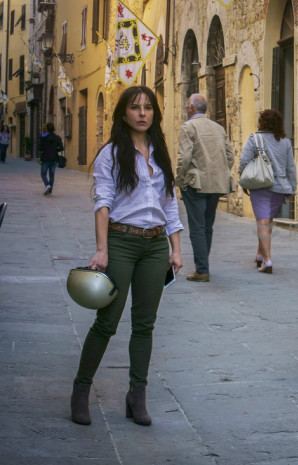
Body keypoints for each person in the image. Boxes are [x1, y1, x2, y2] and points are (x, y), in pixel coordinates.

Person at [70, 86, 183, 427]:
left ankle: (137, 394)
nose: (143, 113)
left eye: (148, 108)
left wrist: (177, 249)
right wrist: (102, 249)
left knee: (145, 325)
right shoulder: (111, 154)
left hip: (154, 246)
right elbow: (102, 203)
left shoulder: (160, 152)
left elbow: (170, 204)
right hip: (121, 241)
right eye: (136, 108)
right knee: (107, 321)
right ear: (124, 114)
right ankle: (81, 389)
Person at [176, 93, 235, 282]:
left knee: (197, 227)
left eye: (187, 105)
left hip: (195, 183)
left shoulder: (188, 127)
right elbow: (230, 156)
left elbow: (184, 157)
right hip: (216, 184)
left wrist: (179, 180)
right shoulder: (218, 128)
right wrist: (218, 172)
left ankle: (202, 270)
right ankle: (203, 266)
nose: (186, 107)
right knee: (207, 225)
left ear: (192, 108)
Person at [238, 109, 296, 274]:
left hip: (260, 185)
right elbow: (291, 167)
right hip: (280, 186)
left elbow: (244, 161)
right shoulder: (285, 142)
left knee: (262, 222)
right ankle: (259, 255)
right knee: (266, 221)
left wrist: (243, 178)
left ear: (262, 122)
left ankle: (268, 261)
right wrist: (292, 187)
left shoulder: (254, 139)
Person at [38, 122, 64, 195]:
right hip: (54, 158)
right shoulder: (57, 137)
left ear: (47, 128)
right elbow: (61, 148)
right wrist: (55, 150)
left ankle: (47, 185)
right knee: (51, 175)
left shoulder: (43, 137)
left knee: (43, 174)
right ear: (54, 128)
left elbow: (40, 148)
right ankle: (49, 190)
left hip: (45, 158)